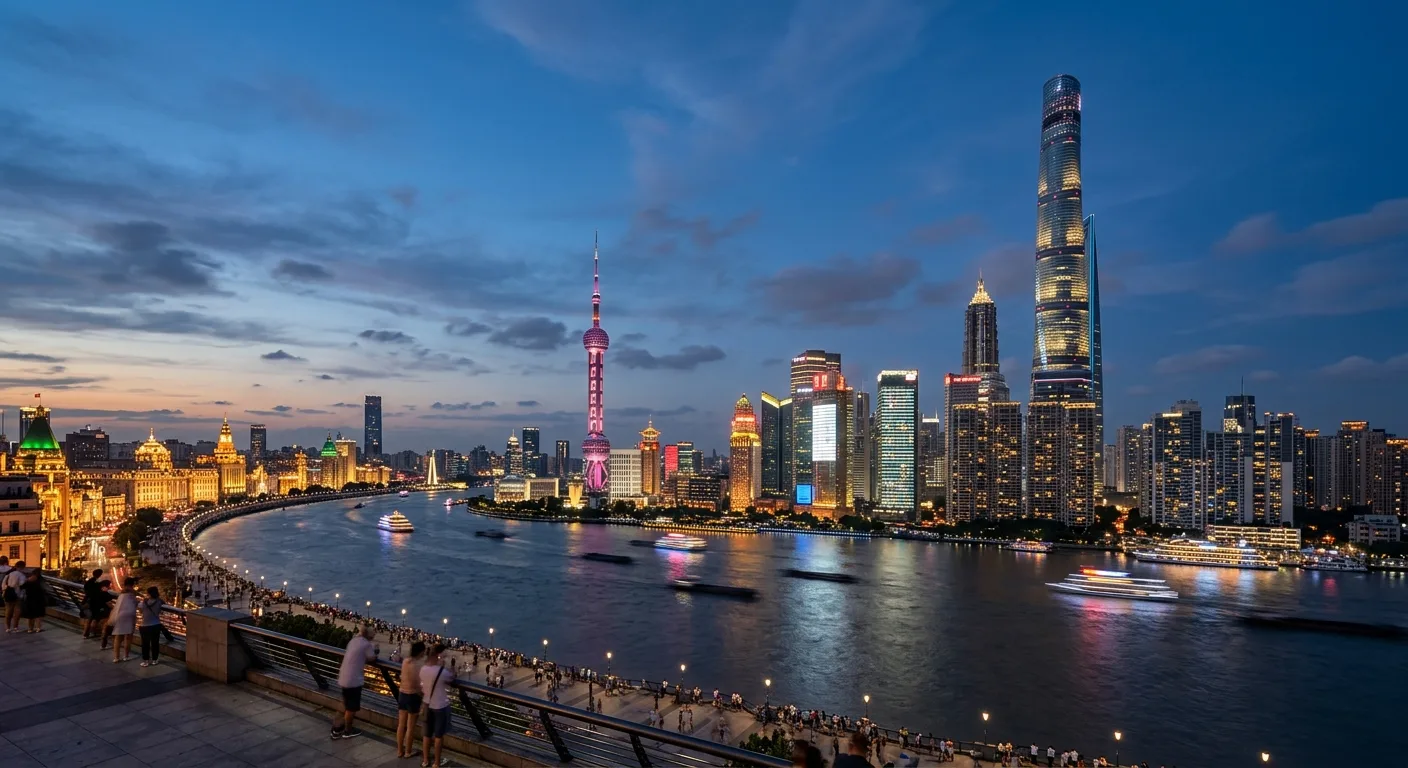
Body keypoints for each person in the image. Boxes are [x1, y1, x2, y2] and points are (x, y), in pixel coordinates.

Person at [331, 625, 378, 739]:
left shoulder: (353, 641)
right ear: (369, 636)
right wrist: (376, 650)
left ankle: (336, 729)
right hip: (353, 680)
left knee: (344, 704)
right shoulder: (366, 644)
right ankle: (348, 731)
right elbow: (372, 658)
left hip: (344, 676)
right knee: (351, 708)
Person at [419, 643, 455, 768]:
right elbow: (452, 678)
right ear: (436, 657)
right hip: (440, 706)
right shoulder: (442, 671)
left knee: (426, 735)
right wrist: (449, 667)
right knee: (438, 736)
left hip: (426, 704)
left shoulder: (423, 670)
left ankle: (425, 760)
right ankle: (436, 763)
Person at [397, 641, 427, 759]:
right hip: (413, 696)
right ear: (420, 652)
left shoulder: (405, 661)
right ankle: (408, 751)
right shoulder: (418, 665)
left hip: (402, 694)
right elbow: (417, 685)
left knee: (401, 725)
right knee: (410, 727)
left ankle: (400, 750)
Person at [108, 578, 138, 659]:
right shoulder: (133, 593)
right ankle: (126, 656)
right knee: (128, 636)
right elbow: (135, 603)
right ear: (133, 584)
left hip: (120, 614)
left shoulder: (121, 593)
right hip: (130, 615)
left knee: (118, 637)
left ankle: (116, 657)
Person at [138, 586, 165, 667]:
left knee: (145, 644)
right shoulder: (159, 601)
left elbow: (140, 610)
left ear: (148, 593)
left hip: (145, 625)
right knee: (155, 643)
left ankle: (146, 661)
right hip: (156, 624)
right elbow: (163, 607)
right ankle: (154, 660)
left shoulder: (144, 601)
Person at [21, 568, 47, 633]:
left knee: (30, 615)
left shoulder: (29, 579)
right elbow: (45, 588)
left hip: (29, 598)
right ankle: (38, 628)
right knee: (38, 614)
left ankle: (30, 629)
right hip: (39, 599)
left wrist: (27, 580)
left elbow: (22, 587)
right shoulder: (40, 580)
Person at [2, 558, 24, 633]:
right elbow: (22, 584)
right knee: (17, 611)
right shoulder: (21, 575)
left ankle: (8, 628)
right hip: (17, 594)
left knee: (8, 610)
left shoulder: (9, 574)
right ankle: (15, 627)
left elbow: (3, 584)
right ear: (22, 567)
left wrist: (5, 590)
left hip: (8, 593)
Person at [82, 569, 104, 638]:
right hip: (93, 603)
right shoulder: (97, 583)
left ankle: (85, 633)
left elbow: (85, 589)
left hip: (86, 601)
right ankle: (91, 632)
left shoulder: (88, 582)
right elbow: (99, 592)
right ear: (99, 575)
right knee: (93, 618)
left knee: (88, 619)